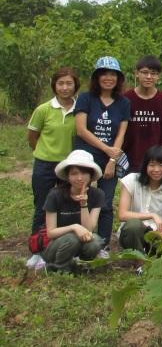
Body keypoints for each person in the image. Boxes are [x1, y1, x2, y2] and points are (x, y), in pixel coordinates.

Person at [74, 56, 130, 254]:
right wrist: (107, 150)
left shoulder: (123, 103)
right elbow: (81, 130)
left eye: (113, 74)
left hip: (110, 160)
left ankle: (103, 245)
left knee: (105, 203)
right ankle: (79, 241)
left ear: (118, 78)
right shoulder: (85, 98)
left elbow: (121, 134)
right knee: (80, 198)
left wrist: (112, 160)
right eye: (104, 73)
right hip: (85, 157)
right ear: (96, 77)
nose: (108, 78)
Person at [27, 67, 79, 239]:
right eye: (61, 83)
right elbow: (32, 136)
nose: (65, 87)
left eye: (69, 83)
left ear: (75, 85)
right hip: (44, 164)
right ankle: (37, 246)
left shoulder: (80, 111)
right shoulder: (44, 109)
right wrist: (44, 152)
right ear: (54, 86)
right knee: (42, 204)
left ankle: (63, 242)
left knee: (68, 204)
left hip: (68, 166)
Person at [42, 150, 104, 273]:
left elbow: (89, 229)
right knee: (72, 238)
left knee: (95, 240)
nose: (79, 178)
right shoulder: (55, 195)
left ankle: (83, 265)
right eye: (74, 173)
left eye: (84, 173)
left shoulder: (97, 194)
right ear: (68, 176)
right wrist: (74, 227)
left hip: (80, 242)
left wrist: (83, 205)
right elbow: (51, 232)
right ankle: (59, 268)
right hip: (55, 246)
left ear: (91, 176)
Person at [118, 145, 162, 253]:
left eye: (161, 165)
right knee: (133, 225)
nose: (156, 170)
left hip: (158, 233)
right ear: (145, 166)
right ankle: (139, 262)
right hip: (134, 233)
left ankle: (153, 252)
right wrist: (152, 215)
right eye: (152, 165)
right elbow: (122, 215)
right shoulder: (132, 180)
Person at [122, 55, 162, 172]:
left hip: (155, 163)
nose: (149, 77)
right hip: (130, 160)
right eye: (145, 72)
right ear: (136, 73)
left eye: (153, 73)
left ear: (158, 76)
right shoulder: (126, 99)